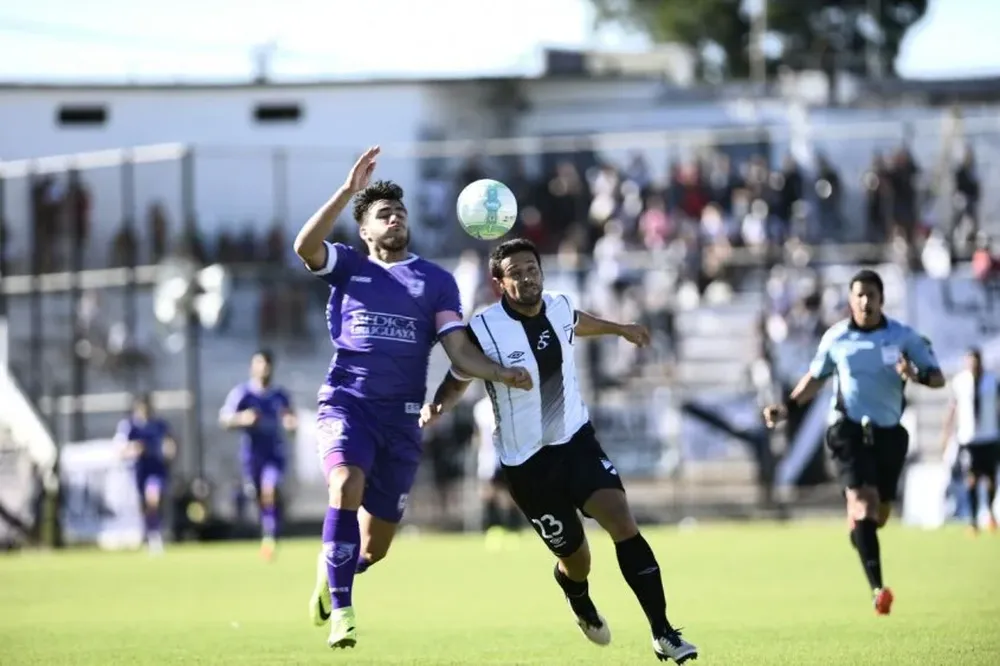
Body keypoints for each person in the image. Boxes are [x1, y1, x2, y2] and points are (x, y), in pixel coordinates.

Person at [292, 146, 532, 649]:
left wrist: (499, 373)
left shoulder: (436, 282)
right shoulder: (348, 267)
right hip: (347, 403)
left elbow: (459, 353)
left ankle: (334, 570)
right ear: (365, 231)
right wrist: (347, 191)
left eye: (399, 211)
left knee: (374, 549)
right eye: (383, 214)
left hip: (400, 420)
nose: (395, 217)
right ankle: (343, 612)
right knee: (344, 482)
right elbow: (303, 246)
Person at [421, 238, 698, 664]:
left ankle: (663, 632)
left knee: (623, 522)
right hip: (527, 465)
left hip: (576, 442)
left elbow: (575, 322)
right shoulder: (485, 327)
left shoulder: (558, 304)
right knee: (577, 559)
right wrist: (439, 404)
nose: (527, 277)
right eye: (516, 273)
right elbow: (461, 374)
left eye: (532, 268)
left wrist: (619, 328)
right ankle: (577, 594)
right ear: (499, 283)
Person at [763, 269, 945, 615]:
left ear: (881, 300)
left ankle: (861, 534)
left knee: (879, 513)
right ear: (850, 300)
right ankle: (878, 589)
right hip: (847, 429)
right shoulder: (836, 338)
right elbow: (815, 379)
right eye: (859, 295)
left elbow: (938, 378)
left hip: (889, 433)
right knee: (863, 502)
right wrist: (784, 408)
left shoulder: (903, 337)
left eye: (871, 295)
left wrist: (915, 374)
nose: (865, 301)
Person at [219, 349, 297, 561]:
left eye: (266, 364)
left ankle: (270, 537)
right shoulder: (243, 393)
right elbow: (225, 418)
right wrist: (241, 419)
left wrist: (291, 424)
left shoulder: (280, 395)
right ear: (252, 367)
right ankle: (269, 526)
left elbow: (291, 418)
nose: (263, 368)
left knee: (269, 489)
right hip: (252, 456)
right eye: (259, 364)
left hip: (274, 453)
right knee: (258, 495)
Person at [940, 347, 999, 533]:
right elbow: (952, 408)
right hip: (968, 438)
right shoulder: (960, 382)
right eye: (970, 361)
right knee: (971, 479)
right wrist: (946, 432)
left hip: (990, 437)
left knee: (990, 479)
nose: (973, 365)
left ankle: (989, 513)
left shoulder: (993, 381)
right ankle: (973, 521)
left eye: (976, 361)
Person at [115, 393, 176, 555]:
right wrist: (134, 449)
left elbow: (170, 444)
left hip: (156, 469)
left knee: (153, 500)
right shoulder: (129, 426)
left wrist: (169, 451)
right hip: (138, 471)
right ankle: (149, 534)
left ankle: (156, 536)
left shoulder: (159, 425)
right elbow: (120, 449)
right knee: (144, 506)